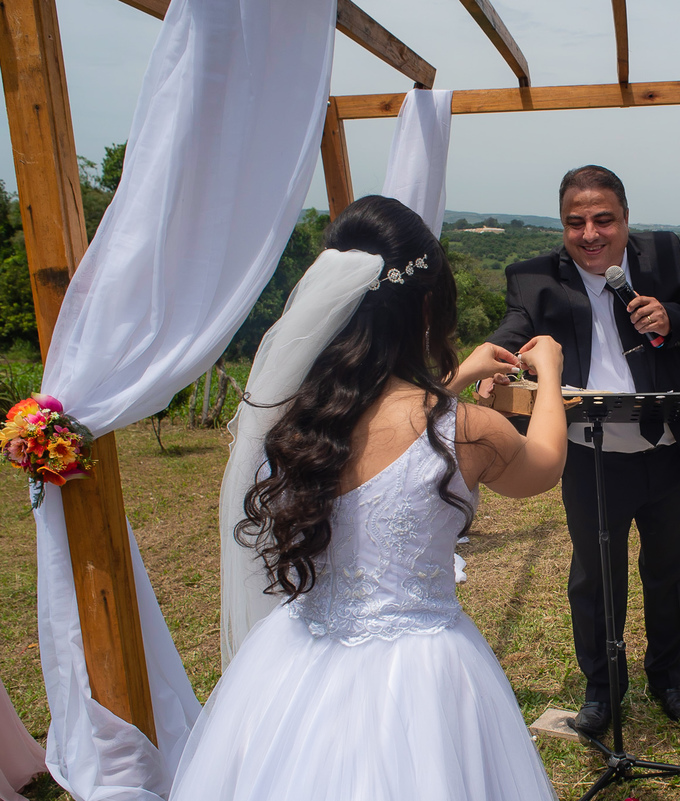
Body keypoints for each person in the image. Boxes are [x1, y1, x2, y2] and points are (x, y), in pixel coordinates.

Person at [170, 196, 567, 800]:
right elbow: (543, 466)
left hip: (297, 660)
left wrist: (457, 378)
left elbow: (383, 421)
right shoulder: (467, 431)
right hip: (422, 674)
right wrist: (550, 373)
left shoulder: (295, 421)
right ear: (427, 307)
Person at [485, 166, 680, 735]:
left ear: (626, 219)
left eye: (604, 220)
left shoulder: (664, 255)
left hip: (667, 449)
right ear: (562, 225)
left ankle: (667, 678)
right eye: (576, 223)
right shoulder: (533, 277)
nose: (590, 234)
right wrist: (494, 364)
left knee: (671, 569)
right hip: (589, 454)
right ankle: (602, 688)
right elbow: (511, 332)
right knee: (596, 577)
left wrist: (673, 318)